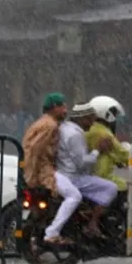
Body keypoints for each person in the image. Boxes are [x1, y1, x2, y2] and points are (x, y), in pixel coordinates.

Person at [44, 103, 117, 246]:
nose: (92, 123)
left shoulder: (66, 128)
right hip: (73, 177)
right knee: (111, 188)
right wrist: (98, 150)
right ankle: (93, 224)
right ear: (82, 119)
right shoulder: (75, 135)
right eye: (90, 119)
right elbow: (82, 163)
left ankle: (86, 215)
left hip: (64, 173)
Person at [84, 95, 132, 191]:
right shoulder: (104, 133)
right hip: (103, 177)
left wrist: (118, 161)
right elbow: (125, 156)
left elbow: (113, 154)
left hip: (92, 176)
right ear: (106, 114)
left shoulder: (91, 128)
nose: (115, 119)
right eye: (114, 114)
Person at [22, 93, 66, 198]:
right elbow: (34, 150)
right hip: (44, 172)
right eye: (62, 107)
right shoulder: (50, 125)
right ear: (55, 107)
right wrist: (31, 177)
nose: (65, 111)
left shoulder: (43, 122)